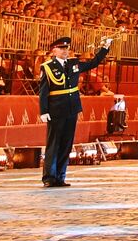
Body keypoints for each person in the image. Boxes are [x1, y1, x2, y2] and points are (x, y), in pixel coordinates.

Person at [38, 35, 113, 187]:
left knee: (66, 143)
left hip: (71, 108)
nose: (65, 51)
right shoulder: (47, 67)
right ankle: (49, 177)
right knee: (54, 143)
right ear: (54, 50)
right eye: (62, 48)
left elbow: (94, 62)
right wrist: (44, 110)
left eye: (67, 48)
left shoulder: (74, 63)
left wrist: (105, 48)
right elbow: (43, 91)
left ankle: (60, 176)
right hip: (56, 109)